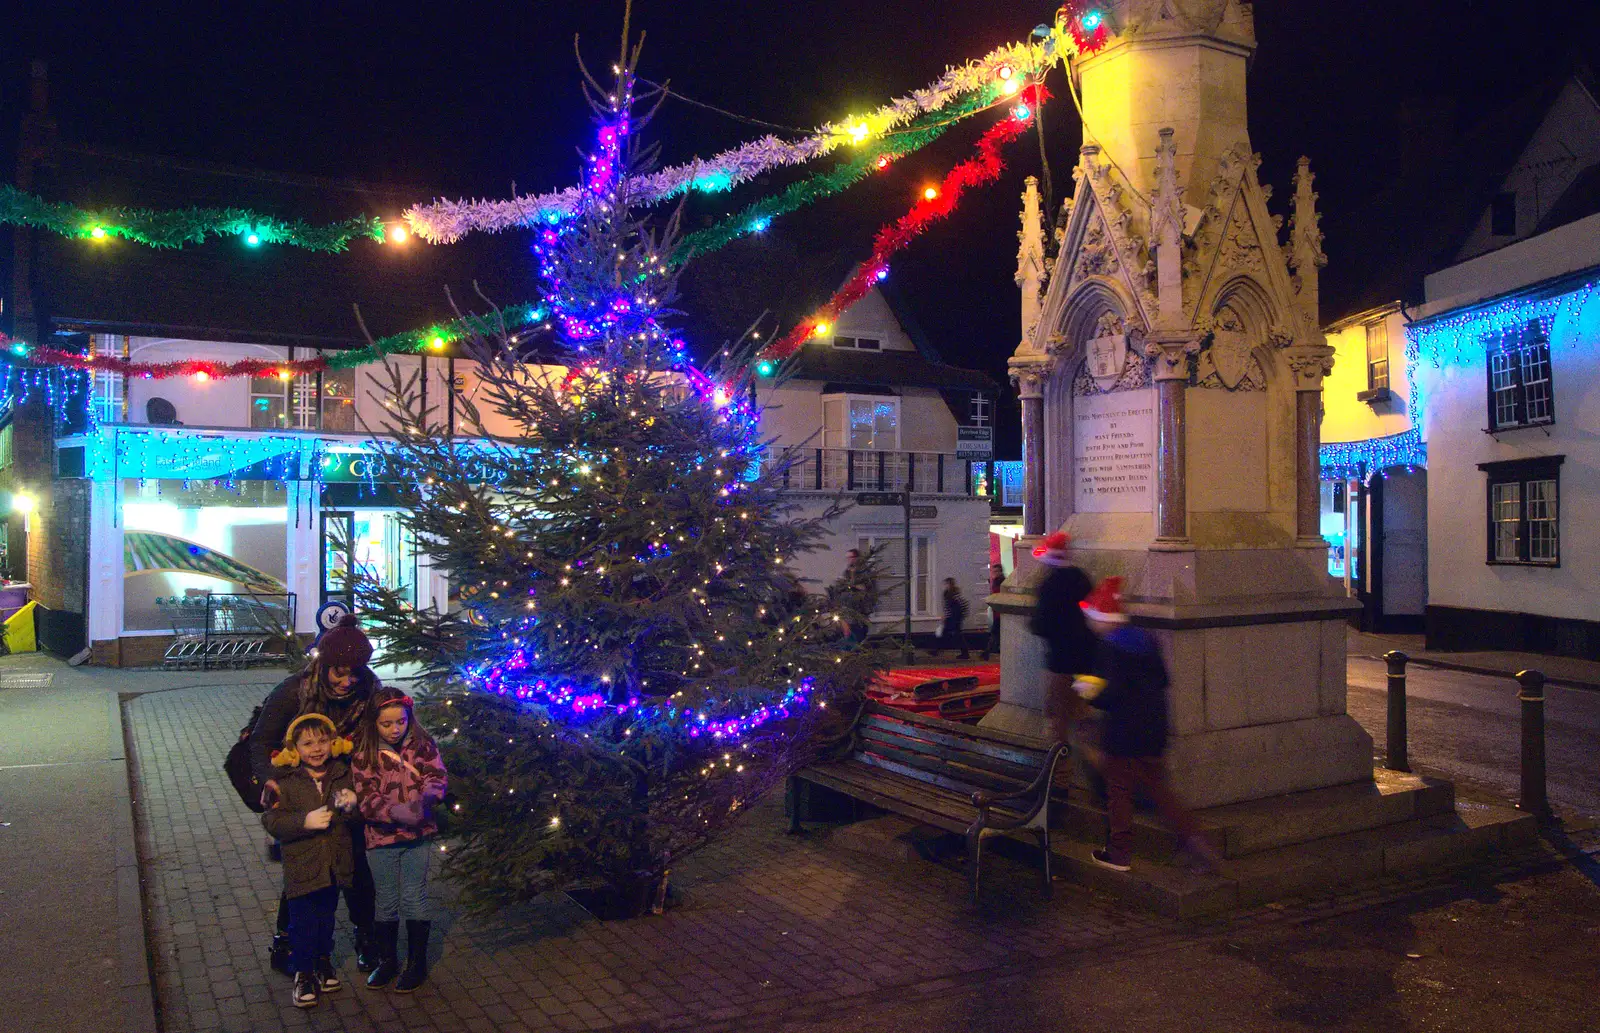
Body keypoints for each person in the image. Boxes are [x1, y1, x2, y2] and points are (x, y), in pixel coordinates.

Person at [252, 615, 381, 974]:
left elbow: (380, 735)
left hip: (345, 786)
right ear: (324, 665)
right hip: (299, 788)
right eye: (339, 672)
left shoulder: (369, 689)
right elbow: (262, 741)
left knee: (355, 865)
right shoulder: (295, 691)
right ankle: (287, 938)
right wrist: (270, 781)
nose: (347, 681)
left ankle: (365, 934)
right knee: (302, 866)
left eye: (355, 672)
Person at [1074, 577, 1220, 875]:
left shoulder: (1108, 647)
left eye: (1094, 619)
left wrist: (1088, 689)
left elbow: (1111, 693)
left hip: (1123, 733)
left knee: (1119, 792)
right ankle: (1194, 841)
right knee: (1159, 790)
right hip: (1154, 728)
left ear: (1103, 619)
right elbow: (1163, 680)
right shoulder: (1145, 639)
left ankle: (1118, 854)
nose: (1092, 625)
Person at [352, 687, 448, 993]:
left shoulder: (423, 745)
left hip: (418, 835)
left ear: (409, 718)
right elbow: (365, 795)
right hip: (381, 837)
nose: (395, 729)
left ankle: (416, 963)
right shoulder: (364, 753)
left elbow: (437, 776)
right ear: (373, 723)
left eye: (401, 722)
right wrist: (394, 812)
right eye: (387, 724)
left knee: (414, 896)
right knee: (387, 899)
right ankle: (387, 960)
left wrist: (429, 797)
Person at [261, 714, 360, 1009]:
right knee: (303, 921)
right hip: (302, 864)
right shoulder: (283, 781)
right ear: (295, 749)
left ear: (333, 743)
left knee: (326, 917)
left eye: (322, 741)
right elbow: (272, 820)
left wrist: (352, 807)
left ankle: (322, 962)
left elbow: (353, 818)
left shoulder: (342, 773)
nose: (316, 749)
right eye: (307, 743)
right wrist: (304, 821)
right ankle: (303, 972)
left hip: (334, 863)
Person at [1027, 531, 1096, 747]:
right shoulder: (1082, 578)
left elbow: (1041, 624)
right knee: (1084, 717)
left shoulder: (1050, 584)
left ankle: (1058, 774)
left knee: (1056, 721)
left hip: (1060, 663)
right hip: (1087, 664)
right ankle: (1093, 772)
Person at [934, 577, 970, 659]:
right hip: (951, 617)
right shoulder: (947, 593)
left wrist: (960, 615)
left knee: (953, 634)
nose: (945, 586)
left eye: (947, 584)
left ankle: (937, 650)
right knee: (945, 633)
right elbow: (948, 606)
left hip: (955, 617)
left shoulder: (954, 594)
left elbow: (961, 604)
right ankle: (937, 650)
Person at [980, 562, 1005, 661]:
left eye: (996, 571)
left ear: (1000, 571)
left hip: (1000, 613)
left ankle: (987, 652)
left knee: (995, 632)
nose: (994, 573)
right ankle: (991, 651)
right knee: (996, 633)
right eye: (993, 571)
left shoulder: (1001, 581)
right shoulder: (997, 581)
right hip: (997, 612)